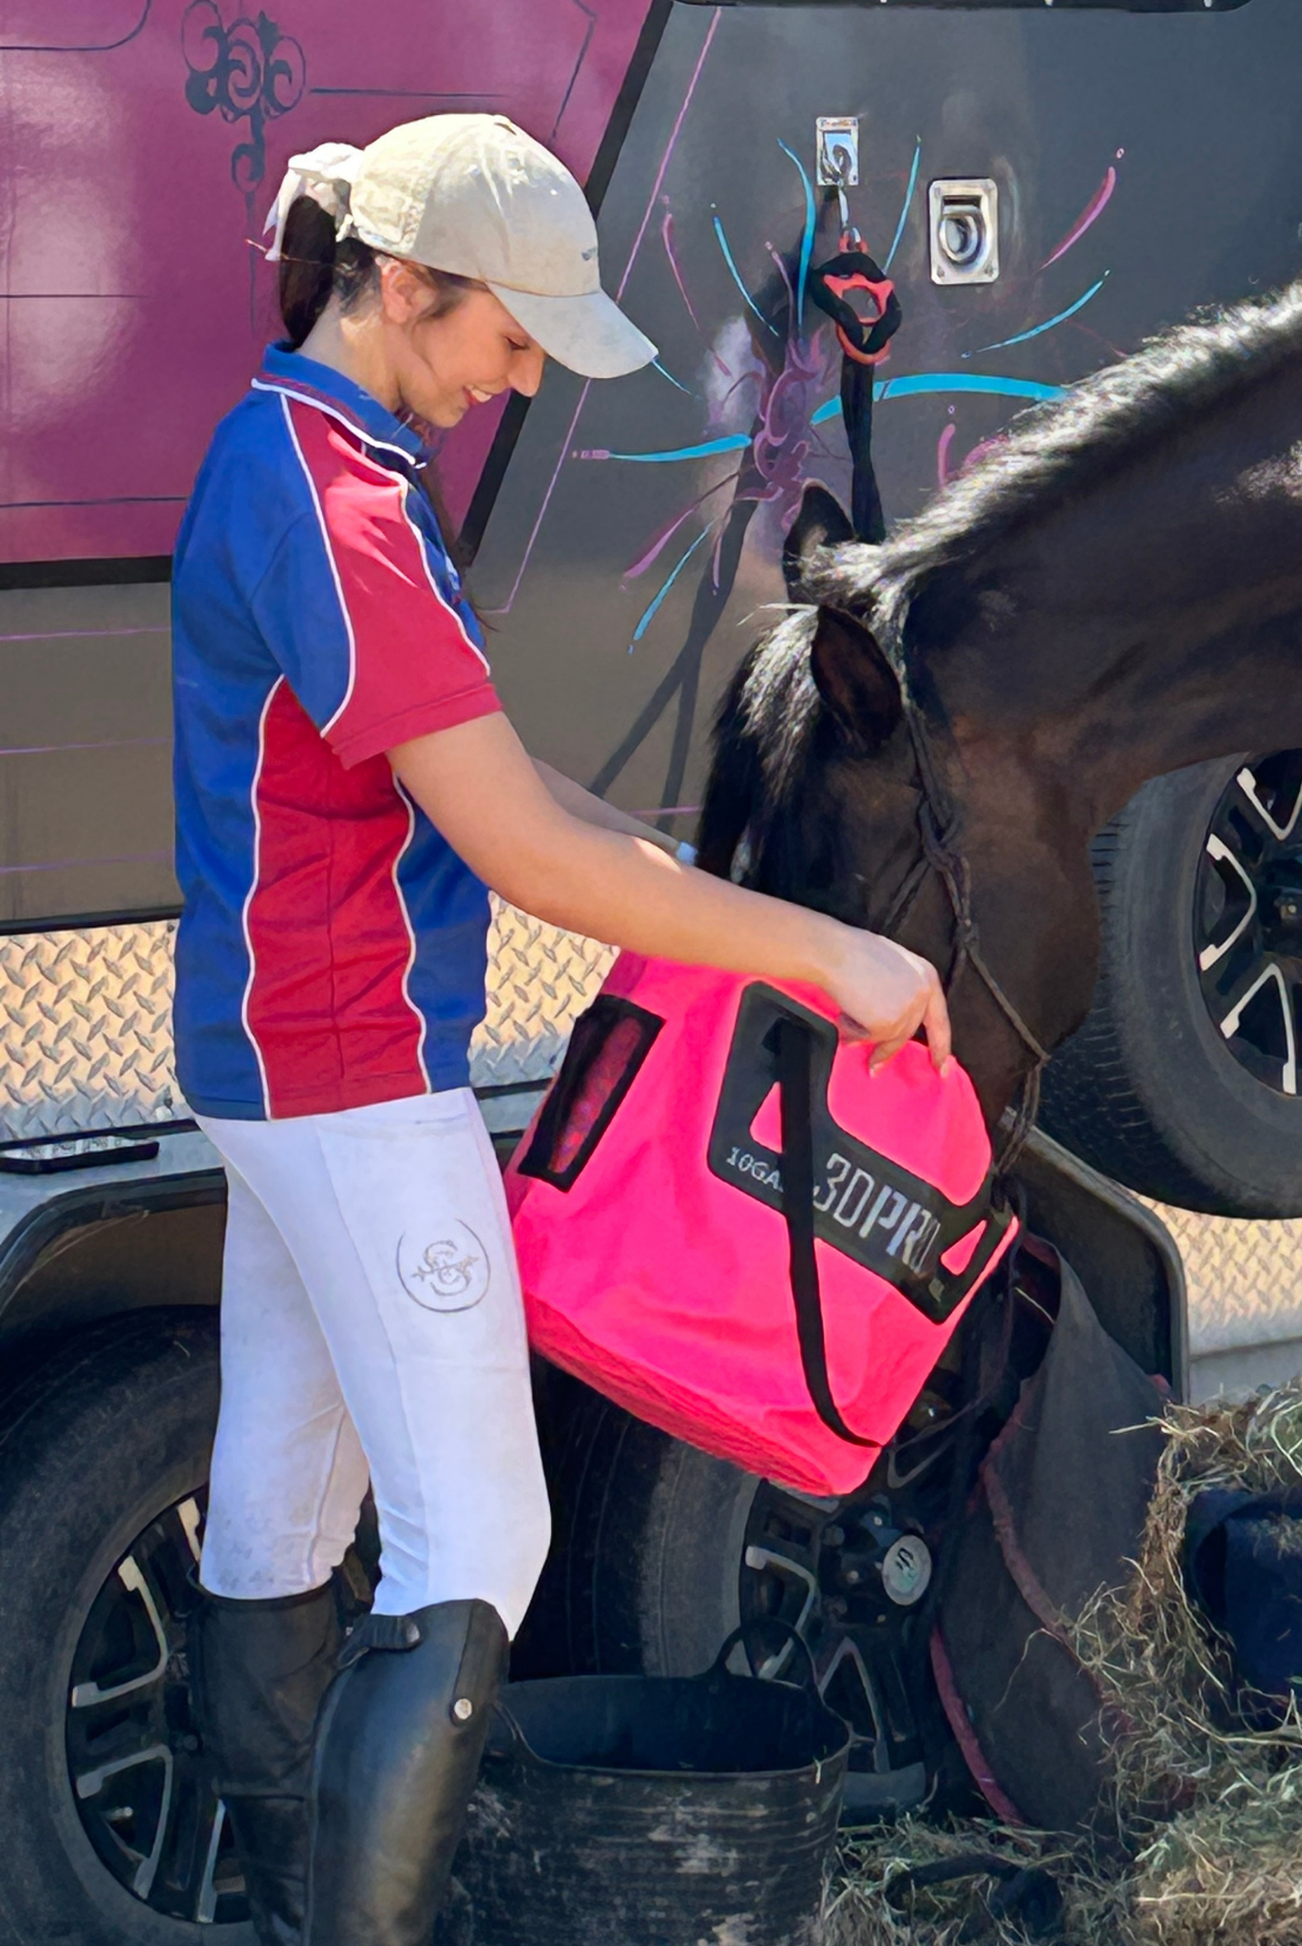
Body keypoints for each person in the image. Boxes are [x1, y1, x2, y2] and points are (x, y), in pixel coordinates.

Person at [172, 115, 948, 1946]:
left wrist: (668, 858)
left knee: (279, 1530)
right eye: (506, 336)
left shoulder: (311, 450)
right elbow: (513, 849)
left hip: (278, 1070)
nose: (519, 376)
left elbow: (494, 780)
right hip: (357, 1070)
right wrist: (821, 959)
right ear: (407, 286)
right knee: (482, 1543)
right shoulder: (340, 504)